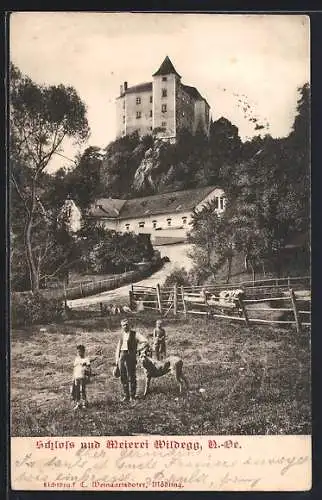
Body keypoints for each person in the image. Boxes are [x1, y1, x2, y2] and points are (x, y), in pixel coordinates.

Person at [115, 319, 148, 402]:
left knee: (131, 375)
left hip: (131, 356)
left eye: (126, 324)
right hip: (122, 355)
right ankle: (126, 396)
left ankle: (132, 396)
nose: (125, 326)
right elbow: (118, 348)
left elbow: (145, 341)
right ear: (121, 327)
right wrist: (117, 359)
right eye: (123, 325)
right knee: (123, 376)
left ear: (129, 325)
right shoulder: (121, 335)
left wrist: (138, 349)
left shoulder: (135, 334)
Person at [70, 344, 91, 410]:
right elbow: (75, 369)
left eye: (80, 351)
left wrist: (88, 376)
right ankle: (78, 403)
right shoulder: (76, 359)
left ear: (83, 351)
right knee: (77, 391)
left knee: (82, 390)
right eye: (78, 351)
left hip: (83, 377)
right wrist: (73, 377)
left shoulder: (86, 359)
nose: (79, 353)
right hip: (77, 377)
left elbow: (89, 369)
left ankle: (84, 403)